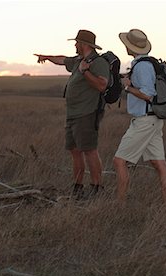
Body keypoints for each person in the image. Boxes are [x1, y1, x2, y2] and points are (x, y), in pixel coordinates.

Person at [34, 29, 109, 200]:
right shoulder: (78, 60)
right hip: (73, 114)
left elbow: (102, 85)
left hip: (87, 113)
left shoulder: (98, 62)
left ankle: (97, 188)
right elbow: (62, 59)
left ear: (84, 45)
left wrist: (85, 72)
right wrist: (46, 57)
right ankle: (77, 187)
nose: (75, 45)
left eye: (77, 42)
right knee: (75, 151)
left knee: (89, 150)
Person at [113, 29, 166, 205]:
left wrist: (126, 87)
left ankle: (120, 205)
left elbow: (148, 94)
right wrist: (130, 82)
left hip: (145, 120)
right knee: (158, 162)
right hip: (153, 119)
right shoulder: (145, 64)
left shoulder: (142, 66)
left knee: (119, 161)